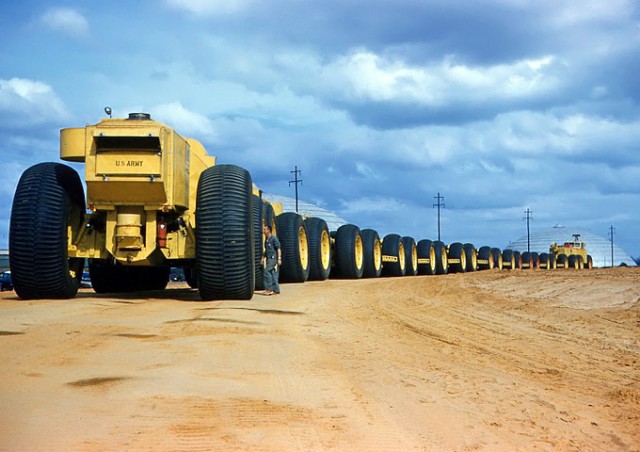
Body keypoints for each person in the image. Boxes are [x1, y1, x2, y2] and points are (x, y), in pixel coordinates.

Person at [260, 224, 281, 295]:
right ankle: (276, 289)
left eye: (265, 229)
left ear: (268, 230)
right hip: (269, 258)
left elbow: (278, 249)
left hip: (273, 258)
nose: (263, 231)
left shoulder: (274, 239)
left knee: (266, 272)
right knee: (272, 273)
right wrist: (263, 258)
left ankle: (269, 289)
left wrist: (279, 259)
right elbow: (266, 250)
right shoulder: (266, 239)